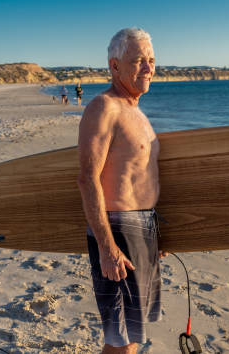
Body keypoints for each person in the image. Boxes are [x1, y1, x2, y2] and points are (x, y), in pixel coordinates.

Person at [77, 28, 167, 354]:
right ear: (115, 66)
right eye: (139, 61)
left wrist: (155, 235)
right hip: (117, 231)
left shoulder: (137, 112)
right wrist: (107, 247)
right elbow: (88, 179)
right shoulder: (104, 108)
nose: (148, 68)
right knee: (120, 343)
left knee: (132, 335)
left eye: (152, 61)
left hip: (143, 230)